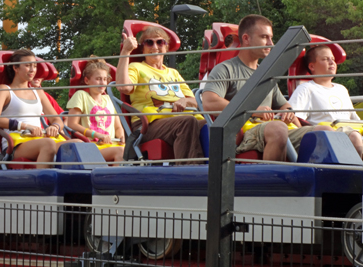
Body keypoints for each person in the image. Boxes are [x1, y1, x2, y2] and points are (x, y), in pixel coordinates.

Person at [202, 14, 333, 161]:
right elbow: (209, 103)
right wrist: (252, 111)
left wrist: (287, 112)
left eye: (271, 38)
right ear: (246, 39)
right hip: (245, 133)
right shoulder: (225, 69)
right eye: (264, 37)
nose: (271, 43)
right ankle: (272, 182)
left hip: (276, 129)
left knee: (326, 131)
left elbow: (283, 104)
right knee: (278, 128)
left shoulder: (266, 74)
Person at [116, 26, 206, 165]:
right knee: (187, 122)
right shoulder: (137, 68)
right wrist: (126, 51)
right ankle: (189, 173)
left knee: (214, 125)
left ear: (166, 47)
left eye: (160, 42)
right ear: (143, 48)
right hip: (149, 123)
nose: (155, 46)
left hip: (177, 120)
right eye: (149, 42)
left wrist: (184, 101)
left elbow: (195, 101)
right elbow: (123, 87)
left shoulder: (173, 73)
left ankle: (219, 170)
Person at [0, 49, 79, 169]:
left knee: (78, 144)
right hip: (16, 145)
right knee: (48, 144)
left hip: (41, 140)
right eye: (27, 66)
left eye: (34, 66)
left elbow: (56, 119)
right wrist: (25, 126)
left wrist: (55, 127)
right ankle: (42, 184)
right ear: (15, 68)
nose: (32, 70)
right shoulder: (4, 90)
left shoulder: (38, 92)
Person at [288, 45, 363, 157]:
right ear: (312, 66)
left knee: (355, 135)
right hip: (327, 138)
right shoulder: (306, 89)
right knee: (354, 137)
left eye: (332, 59)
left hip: (350, 132)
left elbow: (355, 120)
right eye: (325, 59)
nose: (332, 62)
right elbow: (295, 119)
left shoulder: (341, 89)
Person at [67, 57, 125, 165]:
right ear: (86, 80)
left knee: (128, 151)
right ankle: (112, 181)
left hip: (110, 145)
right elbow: (72, 124)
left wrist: (121, 137)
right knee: (120, 152)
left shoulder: (108, 99)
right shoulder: (81, 95)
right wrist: (97, 135)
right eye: (98, 79)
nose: (102, 82)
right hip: (91, 146)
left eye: (104, 79)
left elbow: (117, 127)